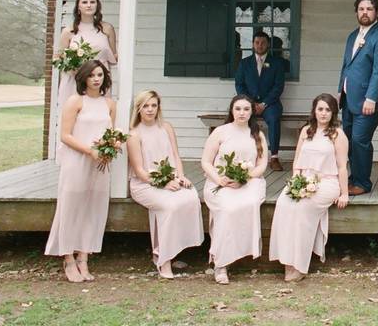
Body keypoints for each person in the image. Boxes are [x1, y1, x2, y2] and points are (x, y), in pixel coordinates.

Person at [44, 59, 117, 283]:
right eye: (92, 75)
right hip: (77, 159)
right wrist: (89, 151)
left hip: (100, 163)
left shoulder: (109, 104)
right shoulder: (75, 101)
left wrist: (112, 145)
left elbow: (110, 133)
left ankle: (84, 257)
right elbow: (65, 135)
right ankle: (68, 257)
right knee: (71, 206)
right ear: (83, 77)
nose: (96, 79)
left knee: (93, 207)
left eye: (100, 75)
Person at [269, 93, 349, 281]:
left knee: (302, 209)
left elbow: (342, 167)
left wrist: (344, 193)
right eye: (320, 109)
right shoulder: (306, 131)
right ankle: (287, 260)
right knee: (284, 204)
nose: (323, 113)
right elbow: (297, 162)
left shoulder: (338, 134)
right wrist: (296, 183)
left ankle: (299, 264)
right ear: (314, 110)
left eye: (328, 110)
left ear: (333, 113)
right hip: (303, 179)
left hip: (327, 182)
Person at [127, 89, 204, 279]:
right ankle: (164, 260)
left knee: (190, 196)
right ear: (138, 109)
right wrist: (163, 183)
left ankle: (168, 250)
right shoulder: (133, 135)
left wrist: (180, 176)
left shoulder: (166, 127)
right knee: (170, 205)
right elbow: (139, 171)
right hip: (144, 185)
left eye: (154, 105)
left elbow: (176, 156)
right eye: (146, 106)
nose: (150, 110)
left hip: (170, 180)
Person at [200, 95, 268, 284]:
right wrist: (219, 179)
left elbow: (262, 164)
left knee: (249, 203)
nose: (242, 113)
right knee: (227, 208)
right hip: (220, 182)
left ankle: (240, 250)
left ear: (251, 112)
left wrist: (244, 177)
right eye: (238, 109)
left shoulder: (257, 134)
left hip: (249, 181)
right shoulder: (220, 132)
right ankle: (221, 263)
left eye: (246, 109)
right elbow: (206, 161)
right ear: (231, 110)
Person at [337, 0, 378, 196]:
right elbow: (346, 67)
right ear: (356, 11)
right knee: (347, 141)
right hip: (348, 100)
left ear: (377, 12)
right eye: (361, 9)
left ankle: (363, 182)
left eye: (369, 9)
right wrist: (340, 91)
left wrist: (372, 97)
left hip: (367, 101)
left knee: (359, 140)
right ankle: (354, 179)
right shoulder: (352, 36)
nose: (365, 13)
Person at [55, 0, 117, 138]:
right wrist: (73, 69)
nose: (89, 5)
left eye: (92, 2)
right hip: (75, 80)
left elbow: (114, 56)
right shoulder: (69, 31)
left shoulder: (107, 29)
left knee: (99, 117)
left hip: (99, 80)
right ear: (78, 7)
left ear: (97, 5)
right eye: (84, 2)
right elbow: (58, 58)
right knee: (75, 120)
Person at [234, 30, 286, 171]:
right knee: (240, 118)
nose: (260, 45)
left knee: (274, 118)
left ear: (268, 44)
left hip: (270, 104)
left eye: (263, 43)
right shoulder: (244, 63)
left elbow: (278, 86)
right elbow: (239, 84)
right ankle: (244, 157)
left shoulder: (276, 63)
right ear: (253, 44)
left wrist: (263, 104)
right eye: (257, 42)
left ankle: (274, 157)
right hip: (249, 104)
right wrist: (249, 103)